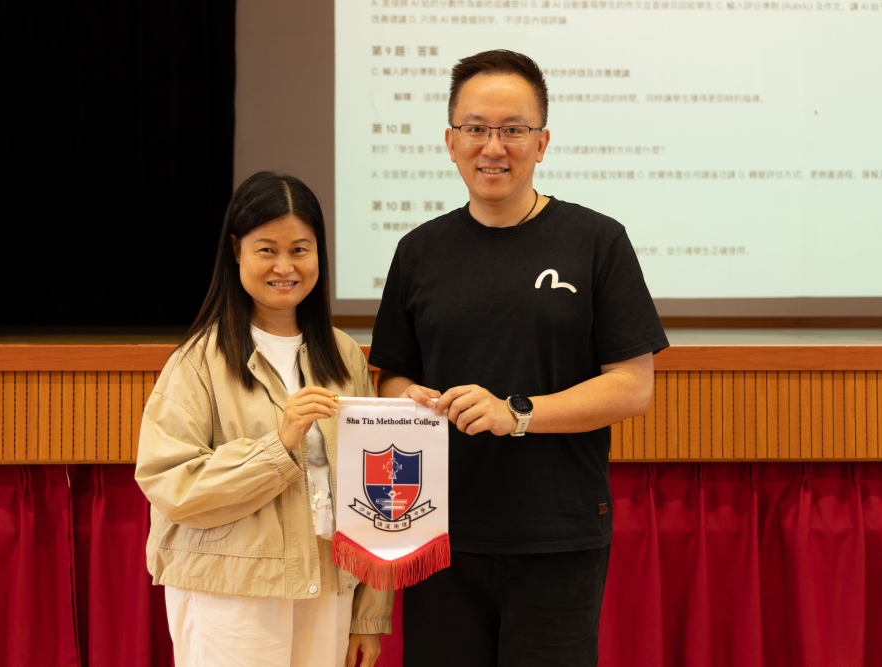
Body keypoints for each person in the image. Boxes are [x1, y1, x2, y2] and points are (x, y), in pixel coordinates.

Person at [369, 50, 669, 667]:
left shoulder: (596, 241)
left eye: (513, 130)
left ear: (542, 142)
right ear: (451, 142)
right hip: (437, 532)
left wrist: (517, 413)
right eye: (476, 129)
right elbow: (392, 374)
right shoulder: (419, 251)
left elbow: (632, 386)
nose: (493, 147)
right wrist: (410, 397)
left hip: (556, 534)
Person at [136, 171, 392, 667]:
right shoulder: (198, 361)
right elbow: (172, 485)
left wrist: (368, 614)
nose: (285, 266)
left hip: (329, 586)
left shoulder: (344, 355)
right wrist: (279, 445)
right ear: (236, 251)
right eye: (266, 250)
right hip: (231, 593)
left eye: (300, 250)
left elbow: (372, 489)